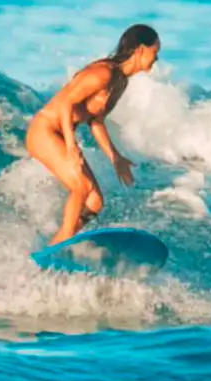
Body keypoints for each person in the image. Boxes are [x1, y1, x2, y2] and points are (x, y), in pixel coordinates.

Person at [26, 24, 160, 246]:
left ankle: (56, 245)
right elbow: (66, 104)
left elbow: (95, 120)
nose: (157, 57)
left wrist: (115, 157)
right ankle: (64, 242)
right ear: (139, 49)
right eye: (155, 51)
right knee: (81, 186)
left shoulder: (120, 82)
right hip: (45, 131)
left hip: (60, 133)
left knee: (95, 201)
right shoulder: (103, 74)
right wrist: (71, 147)